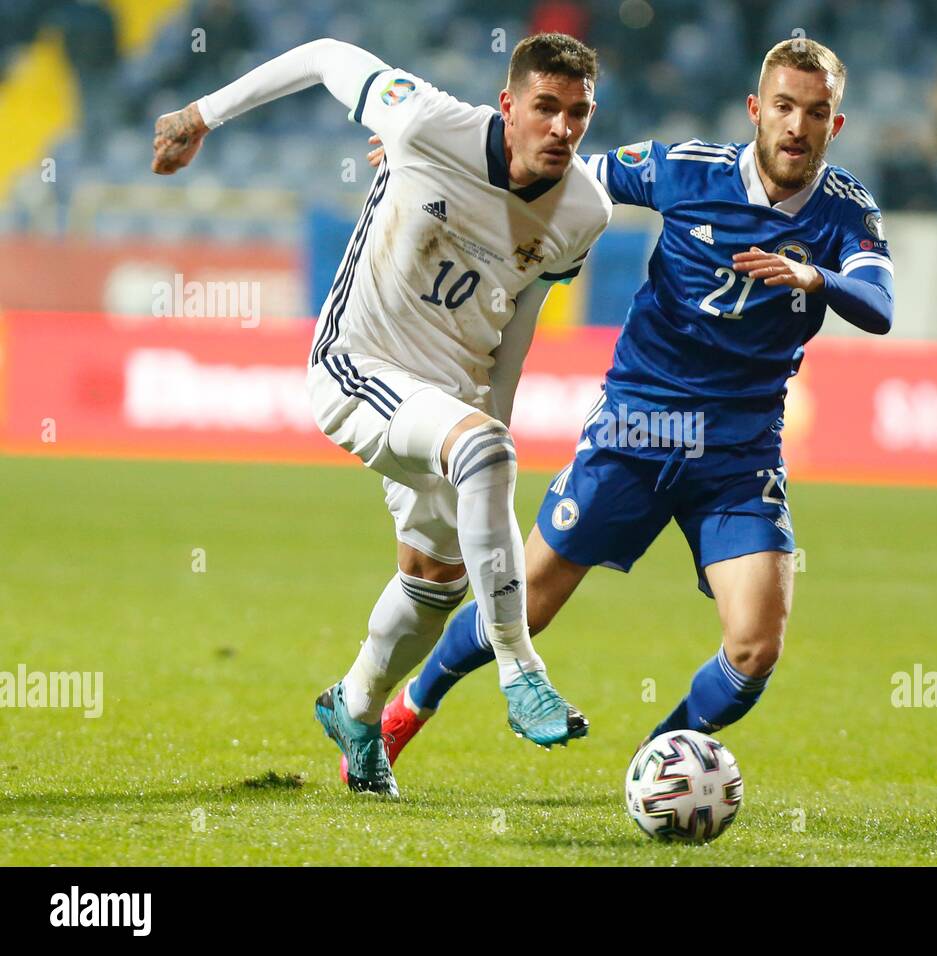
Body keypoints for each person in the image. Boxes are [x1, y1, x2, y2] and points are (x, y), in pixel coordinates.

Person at [366, 36, 893, 769]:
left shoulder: (845, 213)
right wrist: (429, 167)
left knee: (753, 651)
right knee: (527, 604)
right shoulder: (687, 169)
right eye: (783, 107)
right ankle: (407, 707)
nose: (796, 127)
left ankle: (661, 759)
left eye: (815, 112)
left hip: (738, 455)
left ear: (835, 125)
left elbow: (878, 303)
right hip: (637, 428)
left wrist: (815, 282)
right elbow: (562, 171)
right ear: (756, 110)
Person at [150, 33, 611, 796]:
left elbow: (516, 335)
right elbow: (327, 54)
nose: (562, 128)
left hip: (450, 402)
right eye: (546, 108)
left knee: (435, 583)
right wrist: (202, 114)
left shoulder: (583, 211)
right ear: (509, 106)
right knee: (486, 456)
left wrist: (488, 425)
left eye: (579, 114)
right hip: (357, 368)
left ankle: (356, 712)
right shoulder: (426, 122)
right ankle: (521, 668)